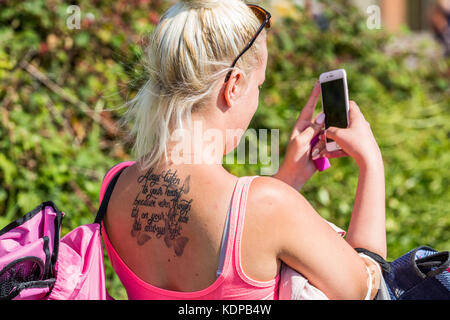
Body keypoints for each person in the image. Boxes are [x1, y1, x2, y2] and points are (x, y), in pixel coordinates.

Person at [101, 0, 386, 300]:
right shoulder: (269, 206)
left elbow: (240, 230)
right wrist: (371, 162)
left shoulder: (115, 186)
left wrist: (287, 178)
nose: (256, 99)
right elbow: (367, 286)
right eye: (259, 86)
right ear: (233, 85)